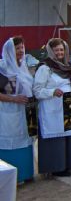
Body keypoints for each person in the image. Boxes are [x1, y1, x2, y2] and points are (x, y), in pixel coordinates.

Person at [34, 38, 71, 176]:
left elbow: (66, 84)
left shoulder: (67, 66)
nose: (59, 52)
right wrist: (52, 92)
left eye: (61, 49)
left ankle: (66, 165)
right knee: (56, 138)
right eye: (56, 50)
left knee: (67, 135)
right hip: (52, 109)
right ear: (51, 51)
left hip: (66, 108)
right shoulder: (45, 68)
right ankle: (55, 167)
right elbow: (37, 90)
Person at [0, 37, 34, 183]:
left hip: (24, 112)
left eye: (22, 47)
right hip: (7, 112)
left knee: (25, 141)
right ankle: (10, 178)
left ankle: (26, 173)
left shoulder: (23, 65)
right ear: (9, 50)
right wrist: (14, 99)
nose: (20, 51)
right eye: (17, 48)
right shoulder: (2, 67)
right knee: (10, 143)